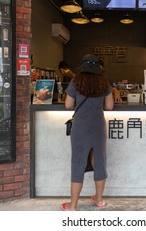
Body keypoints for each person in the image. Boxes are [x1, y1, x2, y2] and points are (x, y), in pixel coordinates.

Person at [61, 54, 114, 211]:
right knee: (99, 162)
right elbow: (110, 107)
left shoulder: (75, 81)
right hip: (98, 126)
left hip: (81, 128)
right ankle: (98, 199)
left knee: (78, 163)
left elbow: (68, 105)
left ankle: (73, 205)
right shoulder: (104, 82)